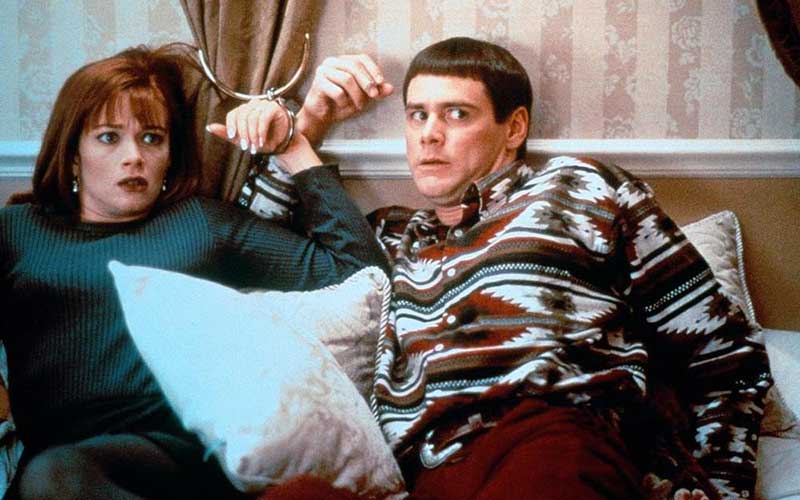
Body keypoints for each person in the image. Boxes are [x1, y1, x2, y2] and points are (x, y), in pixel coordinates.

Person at [288, 37, 772, 500]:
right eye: (418, 115)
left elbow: (726, 356)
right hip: (429, 472)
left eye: (457, 113)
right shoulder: (392, 237)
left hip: (551, 438)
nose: (429, 134)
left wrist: (721, 486)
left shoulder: (581, 189)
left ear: (515, 128)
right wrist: (307, 125)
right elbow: (256, 249)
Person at [0, 43, 387, 499]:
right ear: (71, 154)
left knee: (53, 477)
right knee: (52, 477)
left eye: (152, 138)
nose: (134, 156)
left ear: (169, 156)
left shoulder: (199, 225)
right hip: (57, 465)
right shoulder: (17, 231)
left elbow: (360, 273)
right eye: (108, 137)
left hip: (174, 458)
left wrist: (295, 147)